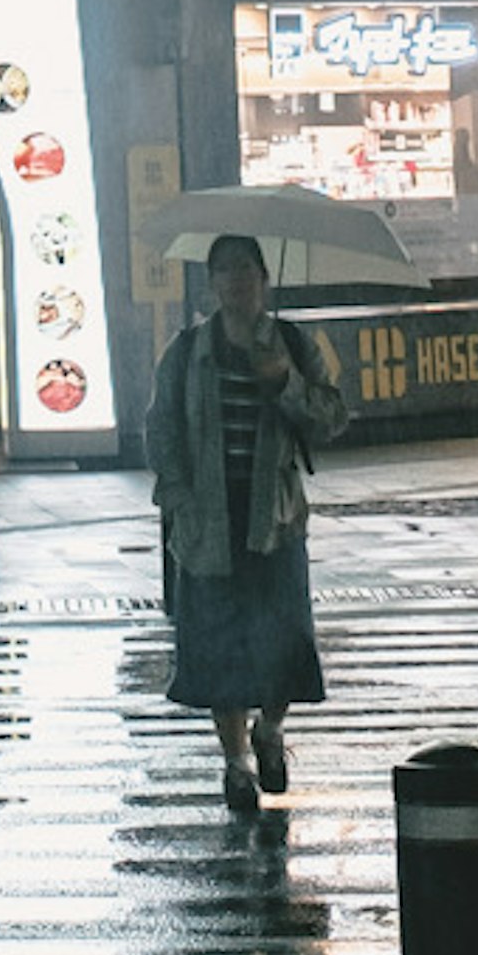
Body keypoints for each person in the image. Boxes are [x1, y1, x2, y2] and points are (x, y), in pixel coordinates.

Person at [146, 234, 345, 829]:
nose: (236, 281)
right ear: (211, 284)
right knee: (220, 650)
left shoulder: (291, 344)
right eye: (224, 271)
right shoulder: (186, 352)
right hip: (210, 523)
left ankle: (272, 728)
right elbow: (161, 430)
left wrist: (284, 381)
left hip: (275, 522)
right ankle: (236, 764)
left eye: (246, 270)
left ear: (264, 279)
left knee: (282, 644)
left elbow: (333, 416)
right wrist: (178, 499)